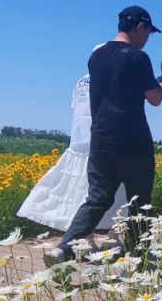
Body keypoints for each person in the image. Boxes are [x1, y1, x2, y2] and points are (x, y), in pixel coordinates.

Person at [47, 6, 162, 265]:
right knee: (139, 201)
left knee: (97, 198)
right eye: (149, 32)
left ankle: (66, 247)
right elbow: (155, 98)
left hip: (101, 138)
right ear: (140, 27)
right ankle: (136, 260)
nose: (148, 38)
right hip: (133, 139)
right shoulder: (138, 57)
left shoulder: (97, 56)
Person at [18, 63, 128, 232]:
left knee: (78, 191)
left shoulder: (81, 81)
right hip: (103, 138)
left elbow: (74, 107)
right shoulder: (111, 76)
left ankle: (83, 237)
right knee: (116, 190)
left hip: (79, 138)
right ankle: (115, 236)